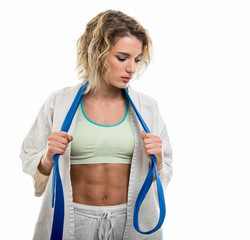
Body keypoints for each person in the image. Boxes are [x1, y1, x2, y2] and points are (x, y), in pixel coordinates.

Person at [20, 10, 173, 240]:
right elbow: (31, 160)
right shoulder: (59, 102)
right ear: (98, 54)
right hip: (75, 220)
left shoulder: (147, 107)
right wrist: (48, 156)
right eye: (122, 58)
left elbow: (162, 176)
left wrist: (158, 160)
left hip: (130, 220)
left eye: (137, 59)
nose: (132, 68)